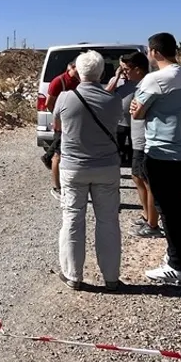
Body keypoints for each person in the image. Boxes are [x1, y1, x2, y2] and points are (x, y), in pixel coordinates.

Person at [130, 32, 181, 284]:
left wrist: (141, 109)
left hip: (162, 153)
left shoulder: (154, 80)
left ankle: (177, 266)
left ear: (155, 52)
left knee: (168, 211)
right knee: (177, 207)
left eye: (150, 51)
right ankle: (177, 259)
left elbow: (136, 113)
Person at [51, 50, 124, 291]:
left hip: (73, 168)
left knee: (72, 219)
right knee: (108, 221)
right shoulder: (113, 100)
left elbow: (57, 126)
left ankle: (73, 276)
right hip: (107, 167)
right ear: (102, 72)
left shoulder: (64, 98)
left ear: (78, 72)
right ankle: (111, 277)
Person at [109, 51, 161, 238]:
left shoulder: (147, 86)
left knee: (147, 181)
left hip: (145, 140)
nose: (124, 73)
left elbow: (142, 111)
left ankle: (153, 225)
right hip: (137, 138)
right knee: (137, 177)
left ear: (138, 69)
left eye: (126, 69)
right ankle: (147, 215)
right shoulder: (137, 85)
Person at [42, 60, 80, 197]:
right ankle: (56, 187)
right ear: (72, 67)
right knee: (58, 154)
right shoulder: (59, 81)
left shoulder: (79, 81)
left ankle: (47, 157)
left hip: (75, 124)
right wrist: (58, 118)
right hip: (62, 124)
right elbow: (49, 103)